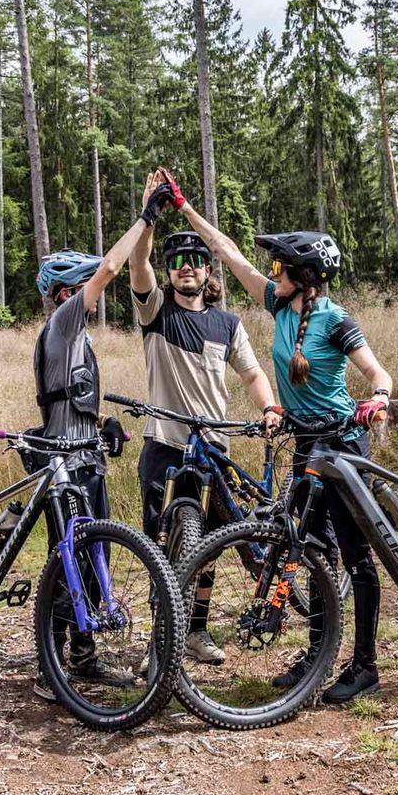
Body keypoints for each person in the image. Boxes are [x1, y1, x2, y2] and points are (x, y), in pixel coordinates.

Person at [176, 203, 396, 704]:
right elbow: (228, 254)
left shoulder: (336, 320)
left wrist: (378, 400)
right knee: (312, 550)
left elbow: (379, 375)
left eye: (278, 268)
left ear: (302, 275)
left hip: (341, 443)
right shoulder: (278, 306)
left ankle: (365, 667)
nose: (271, 274)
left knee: (356, 558)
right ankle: (318, 657)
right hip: (305, 445)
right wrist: (186, 206)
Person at [29, 179, 182, 702]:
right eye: (83, 289)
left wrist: (101, 426)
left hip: (85, 458)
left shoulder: (79, 338)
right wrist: (145, 218)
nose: (91, 298)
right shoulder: (63, 323)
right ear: (67, 294)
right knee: (63, 558)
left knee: (96, 559)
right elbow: (113, 269)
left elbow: (72, 395)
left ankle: (83, 656)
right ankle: (52, 671)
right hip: (63, 465)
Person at [127, 170, 282, 666]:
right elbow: (137, 262)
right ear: (170, 270)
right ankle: (159, 645)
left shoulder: (228, 323)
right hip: (164, 446)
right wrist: (149, 213)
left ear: (208, 272)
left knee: (210, 548)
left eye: (196, 261)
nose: (187, 268)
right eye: (179, 263)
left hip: (216, 450)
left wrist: (269, 406)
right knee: (161, 549)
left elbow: (253, 373)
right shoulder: (154, 312)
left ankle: (195, 632)